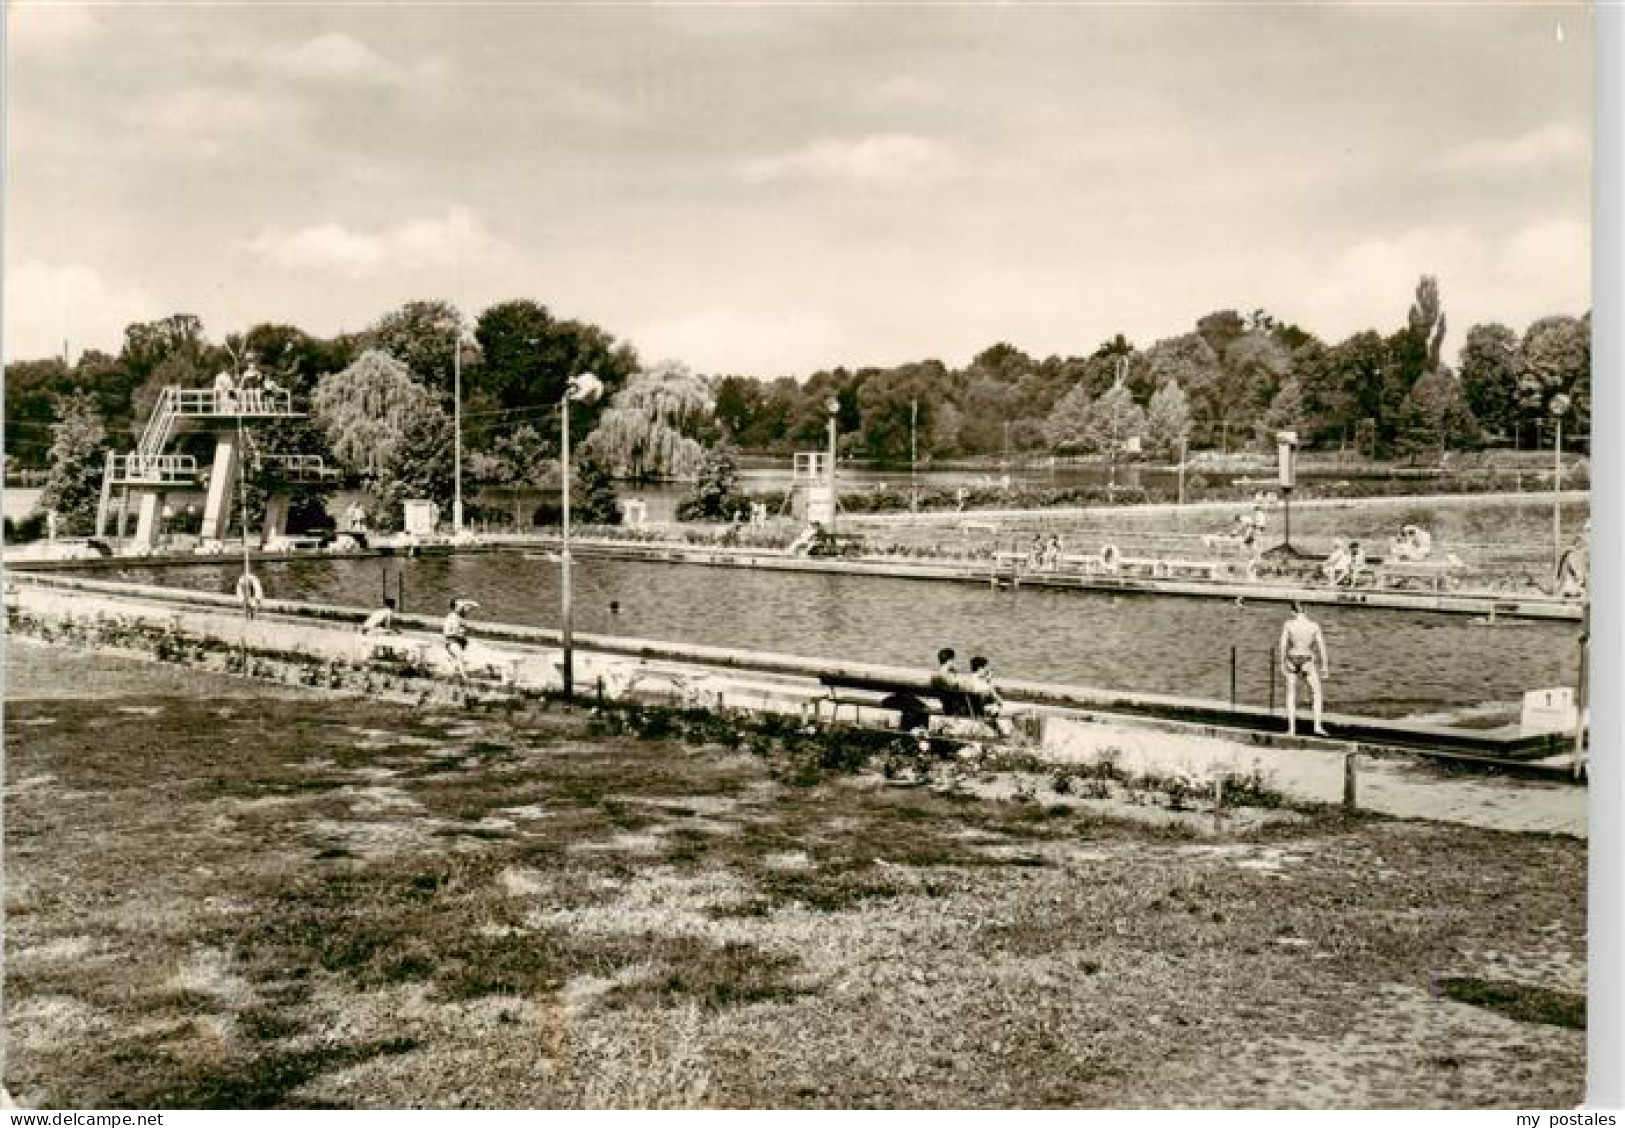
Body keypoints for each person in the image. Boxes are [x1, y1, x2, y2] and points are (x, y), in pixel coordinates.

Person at [1278, 601, 1330, 737]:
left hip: (1292, 658)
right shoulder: (1314, 626)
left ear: (1292, 612)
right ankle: (1317, 726)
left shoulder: (1288, 625)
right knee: (1316, 693)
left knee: (1291, 694)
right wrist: (1325, 665)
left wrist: (1281, 663)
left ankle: (1291, 729)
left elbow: (1283, 645)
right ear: (1306, 611)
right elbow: (1321, 647)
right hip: (1307, 659)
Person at [443, 597, 475, 679]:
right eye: (460, 605)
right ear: (455, 607)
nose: (462, 607)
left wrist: (469, 602)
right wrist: (458, 634)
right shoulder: (450, 618)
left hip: (460, 642)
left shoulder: (460, 616)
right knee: (460, 657)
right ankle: (465, 677)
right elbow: (446, 632)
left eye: (462, 606)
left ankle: (452, 675)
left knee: (456, 660)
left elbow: (474, 606)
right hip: (452, 641)